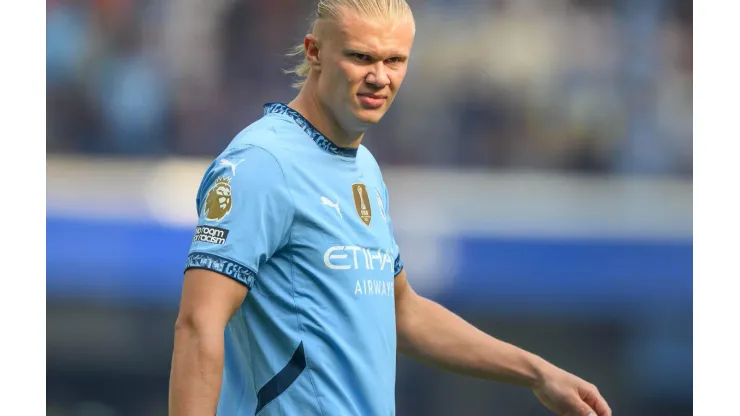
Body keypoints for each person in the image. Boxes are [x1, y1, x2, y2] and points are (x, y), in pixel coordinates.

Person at [168, 1, 612, 415]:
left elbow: (403, 311)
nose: (380, 77)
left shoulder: (363, 169)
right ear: (315, 51)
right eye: (361, 57)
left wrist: (537, 371)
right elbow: (198, 323)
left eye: (395, 60)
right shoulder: (262, 164)